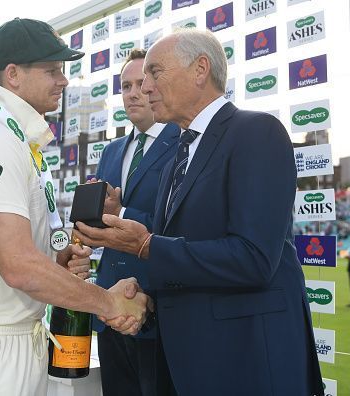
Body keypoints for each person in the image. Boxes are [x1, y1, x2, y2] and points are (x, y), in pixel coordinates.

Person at [74, 28, 324, 396]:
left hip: (246, 362)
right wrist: (143, 295)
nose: (144, 89)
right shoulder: (181, 152)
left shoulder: (256, 133)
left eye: (154, 73)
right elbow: (188, 251)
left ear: (200, 69)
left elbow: (253, 259)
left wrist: (147, 246)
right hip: (185, 363)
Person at [0, 18, 150, 396]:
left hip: (17, 335)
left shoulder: (19, 141)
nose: (63, 80)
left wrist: (57, 260)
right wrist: (107, 302)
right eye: (52, 70)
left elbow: (24, 257)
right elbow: (17, 265)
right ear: (13, 75)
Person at [92, 48, 179, 396]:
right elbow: (101, 225)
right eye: (125, 86)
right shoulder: (111, 151)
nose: (132, 93)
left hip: (156, 309)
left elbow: (182, 223)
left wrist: (122, 214)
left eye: (140, 83)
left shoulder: (183, 144)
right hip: (110, 308)